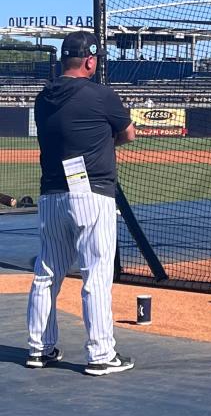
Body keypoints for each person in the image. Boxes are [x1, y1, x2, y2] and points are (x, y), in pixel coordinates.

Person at [26, 32, 136, 375]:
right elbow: (129, 134)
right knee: (96, 275)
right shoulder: (101, 95)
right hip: (91, 193)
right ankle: (101, 354)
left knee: (47, 272)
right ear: (90, 61)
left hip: (52, 194)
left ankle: (38, 349)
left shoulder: (44, 98)